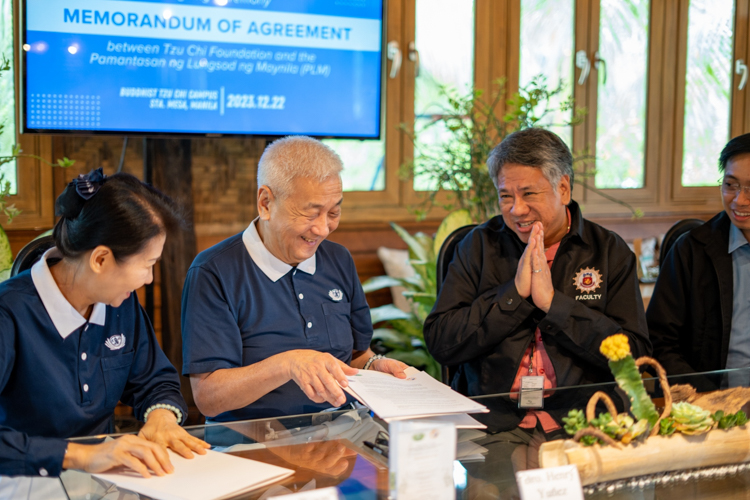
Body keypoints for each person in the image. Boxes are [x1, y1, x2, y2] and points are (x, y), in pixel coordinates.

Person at [423, 127, 651, 435]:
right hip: (493, 423)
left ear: (564, 189)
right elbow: (441, 342)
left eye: (529, 194)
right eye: (506, 196)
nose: (516, 209)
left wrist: (554, 305)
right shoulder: (478, 246)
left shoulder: (608, 251)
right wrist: (514, 294)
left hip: (583, 422)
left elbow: (634, 355)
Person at [181, 136, 407, 424]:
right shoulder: (213, 271)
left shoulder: (338, 259)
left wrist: (375, 365)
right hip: (251, 445)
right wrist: (287, 364)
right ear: (265, 203)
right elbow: (208, 399)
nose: (323, 228)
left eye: (334, 212)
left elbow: (355, 355)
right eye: (311, 213)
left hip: (343, 434)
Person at [0, 169, 209, 479]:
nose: (149, 279)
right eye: (147, 265)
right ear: (100, 260)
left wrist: (161, 416)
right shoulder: (9, 312)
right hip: (25, 483)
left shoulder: (119, 304)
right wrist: (83, 456)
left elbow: (154, 380)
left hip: (105, 481)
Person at [649, 133, 750, 378]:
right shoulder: (691, 251)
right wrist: (704, 401)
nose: (739, 200)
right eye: (730, 185)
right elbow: (659, 342)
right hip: (711, 406)